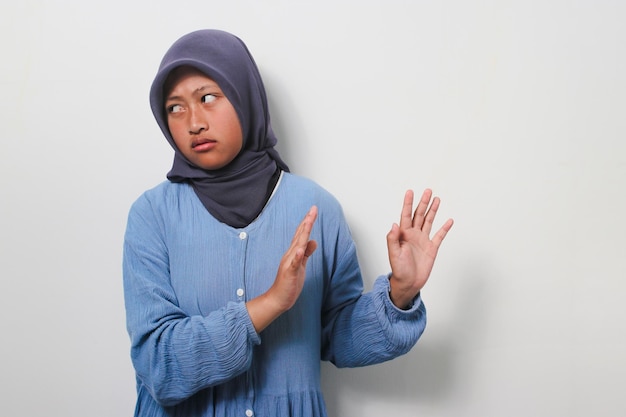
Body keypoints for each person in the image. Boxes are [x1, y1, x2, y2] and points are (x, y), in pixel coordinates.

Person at [123, 29, 453, 417]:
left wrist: (400, 293)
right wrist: (270, 304)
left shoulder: (315, 208)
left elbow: (338, 338)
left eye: (208, 97)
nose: (193, 122)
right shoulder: (152, 216)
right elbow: (158, 364)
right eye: (174, 107)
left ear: (245, 96)